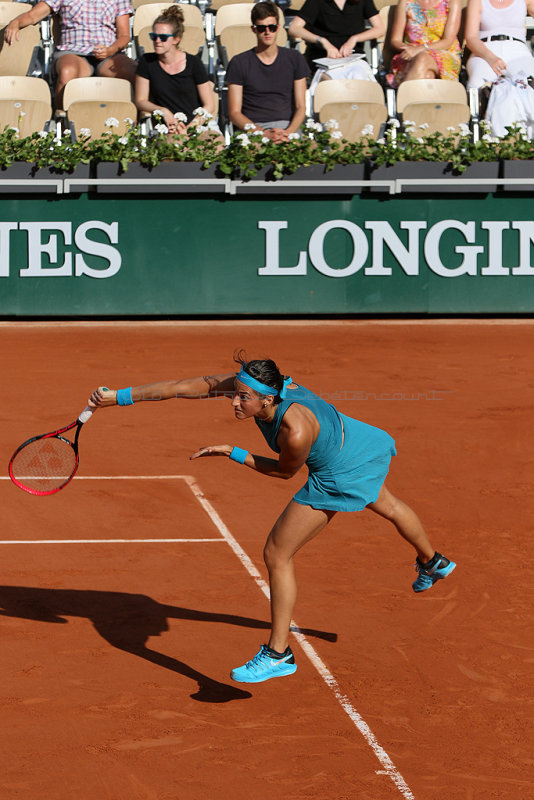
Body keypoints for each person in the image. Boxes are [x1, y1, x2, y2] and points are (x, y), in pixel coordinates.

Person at [88, 353, 456, 685]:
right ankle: (433, 561)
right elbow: (181, 387)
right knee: (387, 504)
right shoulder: (259, 386)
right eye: (235, 392)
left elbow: (283, 473)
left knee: (277, 554)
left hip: (338, 470)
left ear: (269, 399)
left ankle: (278, 654)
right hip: (360, 440)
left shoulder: (294, 432)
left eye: (242, 398)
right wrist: (118, 397)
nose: (233, 400)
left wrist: (232, 451)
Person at [5, 0, 137, 106]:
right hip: (72, 51)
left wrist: (111, 50)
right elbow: (33, 15)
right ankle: (63, 126)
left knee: (134, 72)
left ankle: (135, 132)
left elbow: (124, 35)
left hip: (109, 52)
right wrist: (16, 22)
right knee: (68, 71)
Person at [226, 1, 309, 142]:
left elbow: (301, 106)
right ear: (253, 29)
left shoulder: (295, 58)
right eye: (261, 28)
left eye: (272, 27)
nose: (267, 32)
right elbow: (234, 113)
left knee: (313, 152)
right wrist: (263, 133)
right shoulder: (239, 62)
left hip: (289, 127)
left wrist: (288, 133)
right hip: (253, 129)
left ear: (278, 28)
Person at [135, 5, 217, 137]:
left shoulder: (193, 63)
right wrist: (163, 111)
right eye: (153, 36)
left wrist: (190, 128)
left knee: (216, 147)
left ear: (176, 39)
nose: (157, 41)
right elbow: (141, 100)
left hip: (198, 125)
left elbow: (209, 105)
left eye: (162, 37)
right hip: (167, 128)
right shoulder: (147, 62)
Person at [288, 0, 384, 71]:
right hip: (322, 58)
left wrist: (354, 39)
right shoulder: (316, 1)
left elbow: (379, 29)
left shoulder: (361, 1)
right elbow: (294, 28)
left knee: (360, 77)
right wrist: (322, 41)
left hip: (353, 57)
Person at [386, 0, 462, 88]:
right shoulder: (406, 2)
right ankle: (411, 100)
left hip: (444, 53)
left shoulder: (452, 2)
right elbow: (395, 40)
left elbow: (448, 41)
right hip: (410, 55)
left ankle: (403, 99)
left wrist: (420, 49)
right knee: (428, 76)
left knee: (422, 58)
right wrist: (409, 49)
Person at [464, 0, 534, 90]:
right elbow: (471, 38)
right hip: (485, 50)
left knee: (530, 79)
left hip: (518, 50)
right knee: (477, 83)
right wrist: (491, 58)